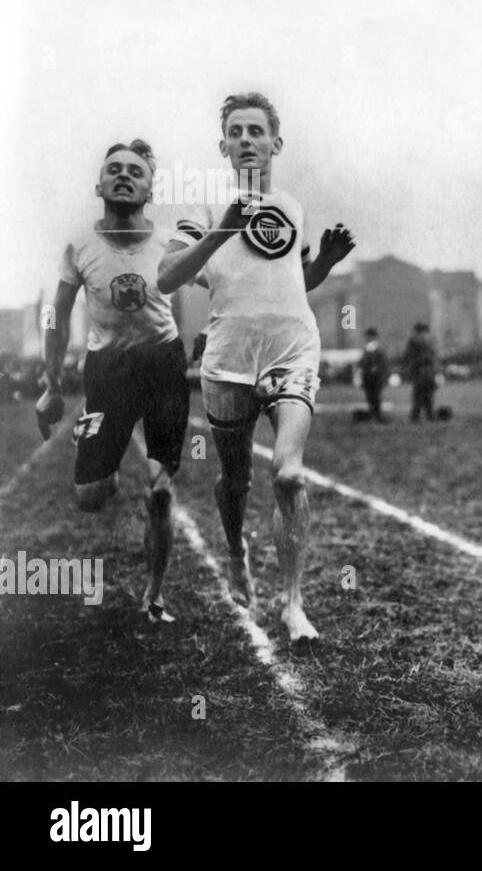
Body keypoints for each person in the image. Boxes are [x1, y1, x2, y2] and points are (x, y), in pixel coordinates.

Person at [158, 92, 355, 642]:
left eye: (257, 131)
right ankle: (235, 547)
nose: (247, 140)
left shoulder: (291, 207)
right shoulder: (201, 208)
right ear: (223, 145)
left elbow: (295, 280)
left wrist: (327, 264)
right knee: (236, 480)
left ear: (276, 143)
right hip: (229, 361)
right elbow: (168, 276)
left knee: (288, 473)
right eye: (237, 132)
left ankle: (293, 606)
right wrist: (221, 227)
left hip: (293, 349)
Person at [37, 139, 189, 624]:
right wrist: (51, 384)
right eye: (114, 169)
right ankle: (109, 463)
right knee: (90, 497)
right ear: (98, 184)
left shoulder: (169, 244)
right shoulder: (79, 245)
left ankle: (155, 595)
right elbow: (57, 316)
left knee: (161, 492)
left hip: (163, 365)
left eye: (135, 171)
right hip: (107, 371)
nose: (124, 175)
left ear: (150, 188)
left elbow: (210, 285)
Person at [402, 322, 438, 422]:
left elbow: (408, 356)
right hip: (425, 373)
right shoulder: (428, 342)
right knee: (424, 396)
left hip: (423, 373)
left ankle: (419, 416)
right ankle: (425, 416)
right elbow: (432, 358)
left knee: (422, 396)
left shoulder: (417, 342)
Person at [356, 327, 390, 423]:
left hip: (375, 378)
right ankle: (375, 415)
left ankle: (377, 415)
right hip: (369, 378)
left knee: (375, 397)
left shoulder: (376, 349)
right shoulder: (369, 349)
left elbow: (382, 364)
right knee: (371, 397)